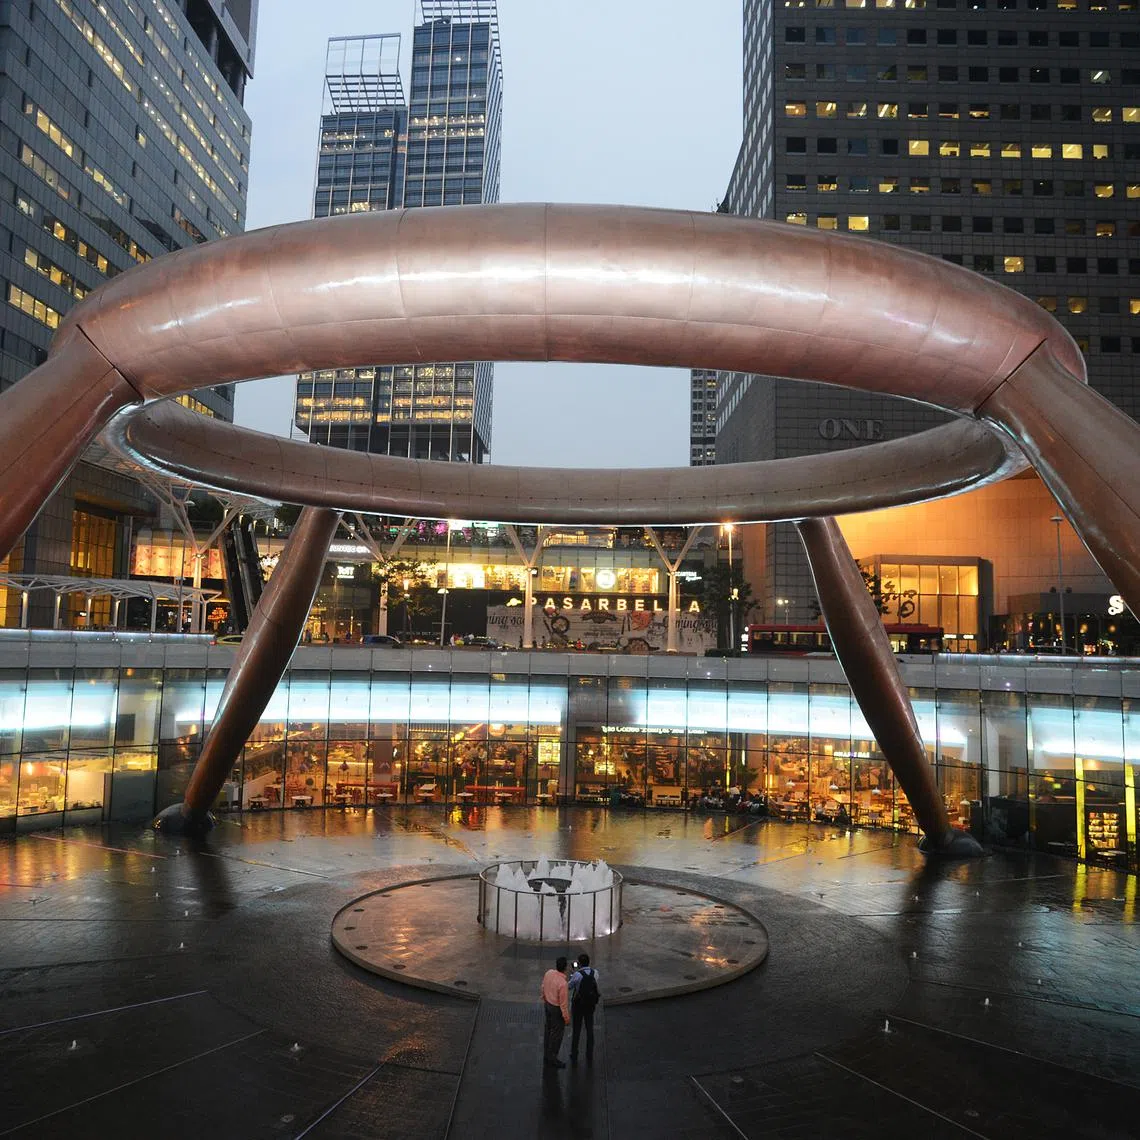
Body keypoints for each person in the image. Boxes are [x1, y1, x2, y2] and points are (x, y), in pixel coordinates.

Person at [567, 953, 601, 1063]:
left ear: (580, 964)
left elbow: (569, 986)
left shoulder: (577, 975)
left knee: (576, 1030)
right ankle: (589, 1054)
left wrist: (573, 974)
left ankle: (574, 1054)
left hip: (578, 1005)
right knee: (589, 1029)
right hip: (590, 1005)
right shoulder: (595, 973)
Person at [540, 956, 570, 1068]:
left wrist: (544, 997)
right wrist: (566, 1018)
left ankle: (547, 1051)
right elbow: (563, 1004)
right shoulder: (563, 983)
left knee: (548, 1028)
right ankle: (552, 1057)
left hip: (547, 1004)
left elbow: (543, 986)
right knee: (557, 1033)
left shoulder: (549, 973)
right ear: (565, 968)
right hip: (556, 1009)